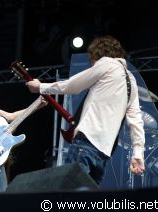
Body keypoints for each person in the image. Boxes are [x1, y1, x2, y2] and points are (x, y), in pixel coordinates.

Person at [26, 35, 145, 185]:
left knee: (67, 194)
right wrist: (138, 153)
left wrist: (40, 87)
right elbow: (136, 120)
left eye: (91, 59)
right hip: (103, 153)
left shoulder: (106, 64)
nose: (91, 63)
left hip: (86, 144)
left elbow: (72, 86)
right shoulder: (131, 81)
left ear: (97, 54)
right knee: (86, 202)